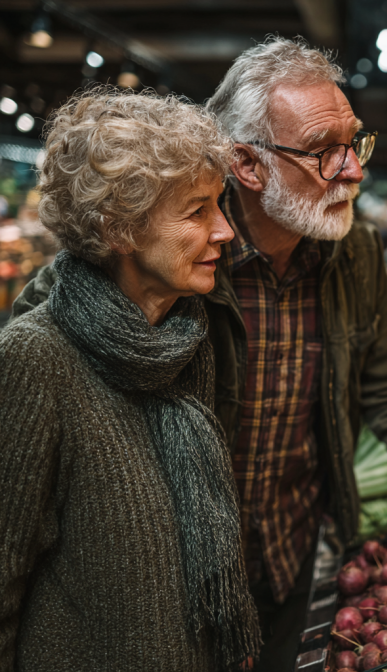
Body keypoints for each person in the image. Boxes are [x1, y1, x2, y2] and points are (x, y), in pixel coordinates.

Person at [13, 38, 387, 671]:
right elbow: (45, 353)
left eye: (353, 143)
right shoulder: (168, 267)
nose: (353, 170)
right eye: (324, 153)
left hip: (289, 561)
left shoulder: (350, 252)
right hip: (178, 591)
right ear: (248, 165)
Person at [0, 88, 261, 671]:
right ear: (117, 229)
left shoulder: (183, 338)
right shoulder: (35, 360)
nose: (226, 232)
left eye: (220, 206)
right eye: (197, 212)